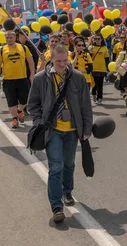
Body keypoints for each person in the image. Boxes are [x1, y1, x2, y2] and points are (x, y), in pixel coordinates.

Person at [27, 44, 93, 224]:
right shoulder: (41, 79)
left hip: (72, 130)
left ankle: (67, 190)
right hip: (52, 130)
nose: (63, 64)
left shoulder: (78, 78)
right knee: (56, 166)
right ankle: (56, 207)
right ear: (51, 59)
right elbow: (32, 104)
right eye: (58, 61)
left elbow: (85, 105)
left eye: (65, 60)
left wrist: (86, 129)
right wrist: (39, 121)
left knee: (69, 164)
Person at [0, 30, 35, 128]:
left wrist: (32, 74)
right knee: (11, 101)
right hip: (8, 80)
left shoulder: (23, 48)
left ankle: (20, 111)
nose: (9, 39)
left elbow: (30, 61)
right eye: (7, 37)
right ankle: (15, 119)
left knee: (25, 100)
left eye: (11, 37)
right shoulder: (2, 50)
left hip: (22, 78)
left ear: (15, 37)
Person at [89, 33, 110, 104]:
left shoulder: (104, 48)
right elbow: (88, 58)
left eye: (98, 39)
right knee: (95, 84)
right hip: (93, 69)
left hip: (102, 69)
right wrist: (90, 52)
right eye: (95, 38)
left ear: (101, 39)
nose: (97, 40)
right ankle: (94, 93)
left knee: (100, 84)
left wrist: (108, 68)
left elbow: (107, 59)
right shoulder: (91, 47)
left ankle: (100, 98)